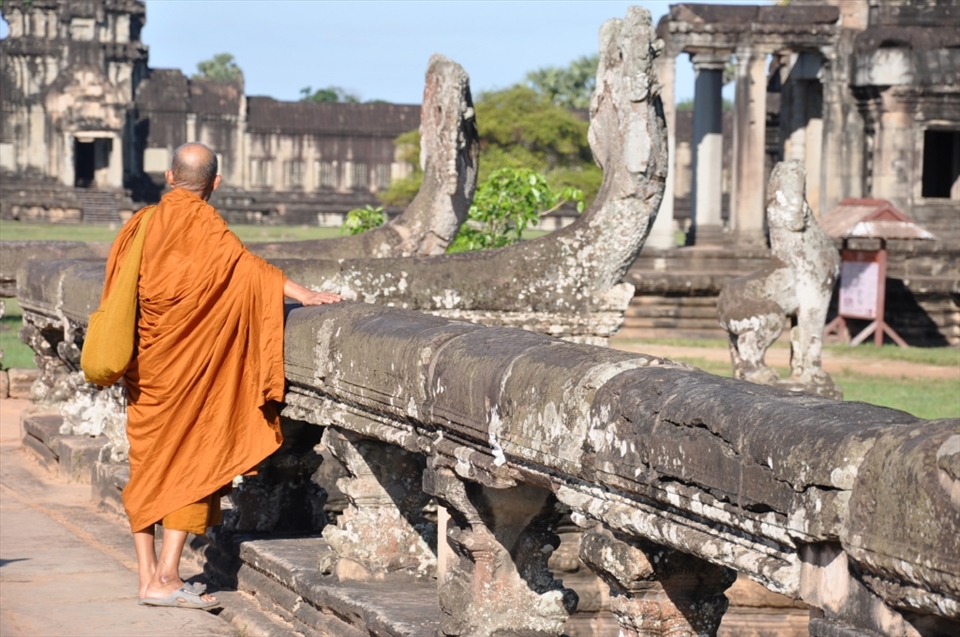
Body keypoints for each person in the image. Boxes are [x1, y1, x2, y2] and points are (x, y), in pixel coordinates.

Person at [100, 142, 342, 609]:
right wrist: (304, 294)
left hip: (149, 367)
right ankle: (168, 577)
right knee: (191, 458)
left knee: (149, 465)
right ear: (215, 183)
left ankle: (148, 576)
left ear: (169, 177)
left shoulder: (139, 224)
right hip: (187, 370)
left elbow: (118, 292)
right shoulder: (207, 225)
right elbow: (250, 271)